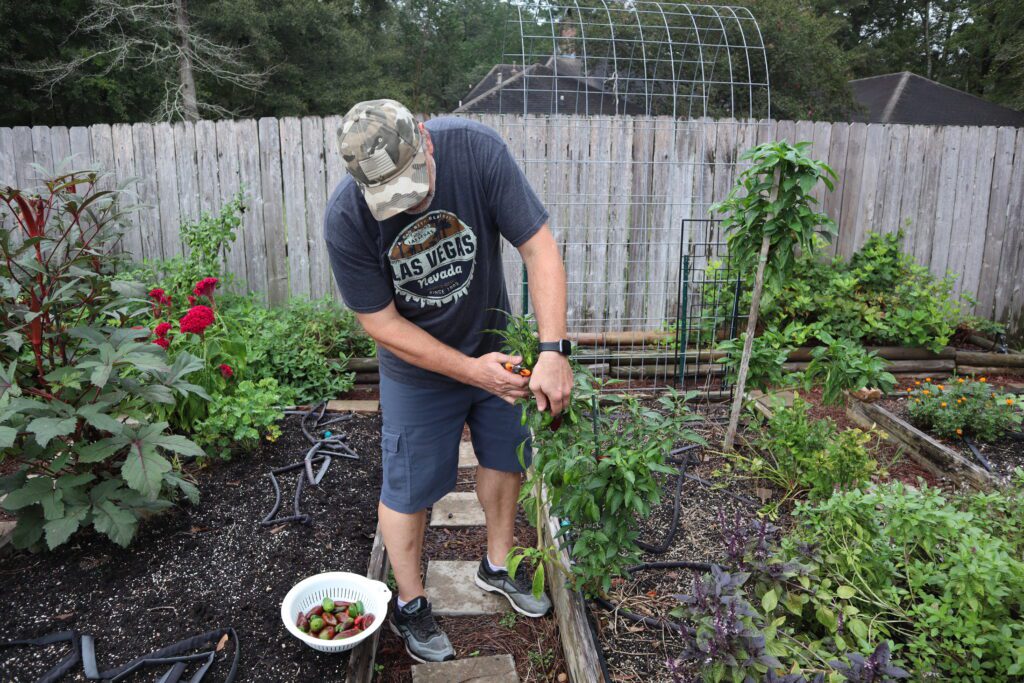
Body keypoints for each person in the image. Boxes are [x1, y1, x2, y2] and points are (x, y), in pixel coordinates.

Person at [323, 99, 574, 663]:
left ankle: (496, 566)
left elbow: (538, 246)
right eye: (390, 196)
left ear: (427, 144)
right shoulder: (347, 217)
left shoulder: (476, 151)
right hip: (417, 369)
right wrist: (468, 372)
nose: (406, 203)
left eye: (413, 183)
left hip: (495, 343)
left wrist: (553, 349)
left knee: (507, 459)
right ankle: (411, 603)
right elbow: (381, 324)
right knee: (407, 487)